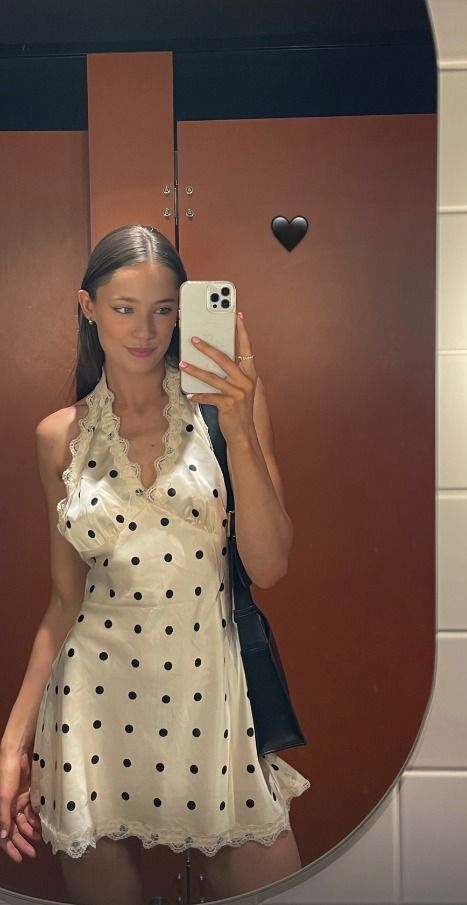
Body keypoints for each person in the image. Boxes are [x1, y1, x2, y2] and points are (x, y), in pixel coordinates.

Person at [0, 224, 310, 905]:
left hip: (212, 695)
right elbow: (63, 602)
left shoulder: (230, 406)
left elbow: (270, 563)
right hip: (92, 706)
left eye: (164, 309)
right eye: (124, 308)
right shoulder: (60, 437)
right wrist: (13, 743)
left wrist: (238, 429)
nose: (146, 330)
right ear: (88, 307)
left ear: (182, 310)